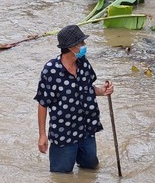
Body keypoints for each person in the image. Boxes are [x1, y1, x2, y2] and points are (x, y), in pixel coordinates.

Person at [35, 25, 115, 173]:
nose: (84, 46)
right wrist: (42, 135)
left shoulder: (83, 63)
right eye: (81, 43)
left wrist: (103, 91)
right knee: (61, 176)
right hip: (64, 132)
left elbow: (87, 88)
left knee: (90, 167)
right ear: (71, 47)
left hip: (86, 128)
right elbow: (42, 103)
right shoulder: (51, 70)